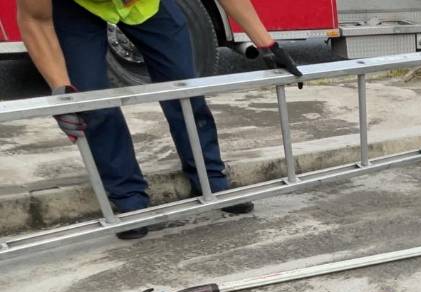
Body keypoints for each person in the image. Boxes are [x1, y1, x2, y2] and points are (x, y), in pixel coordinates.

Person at [17, 0, 303, 240]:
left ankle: (210, 177)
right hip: (78, 7)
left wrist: (267, 44)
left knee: (185, 88)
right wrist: (62, 91)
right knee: (92, 103)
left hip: (149, 5)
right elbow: (35, 19)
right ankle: (128, 197)